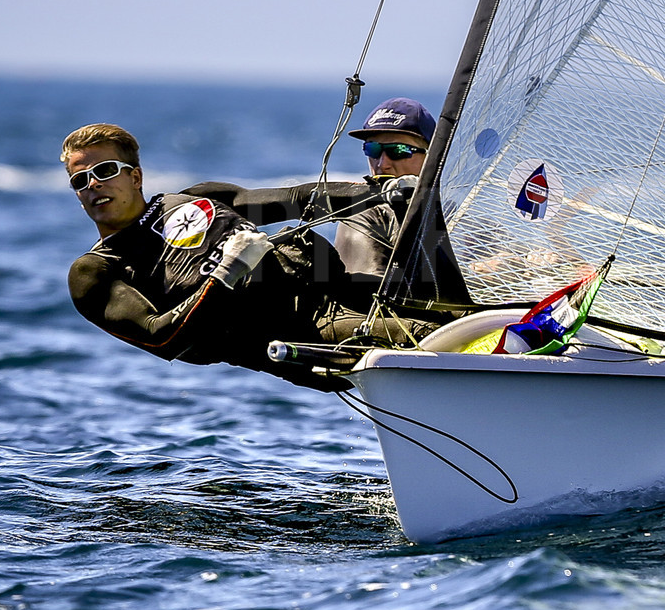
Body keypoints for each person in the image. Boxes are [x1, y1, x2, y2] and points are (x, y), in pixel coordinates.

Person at [61, 123, 425, 392]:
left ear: (136, 176)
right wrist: (227, 273)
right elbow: (163, 339)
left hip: (342, 286)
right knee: (429, 338)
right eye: (80, 181)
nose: (93, 185)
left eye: (104, 172)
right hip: (306, 332)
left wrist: (383, 191)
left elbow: (298, 199)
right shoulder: (95, 272)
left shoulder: (198, 199)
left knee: (464, 313)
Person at [334, 97, 435, 276]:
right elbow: (367, 297)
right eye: (373, 150)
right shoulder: (362, 213)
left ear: (431, 157)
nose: (382, 164)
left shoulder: (457, 211)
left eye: (398, 151)